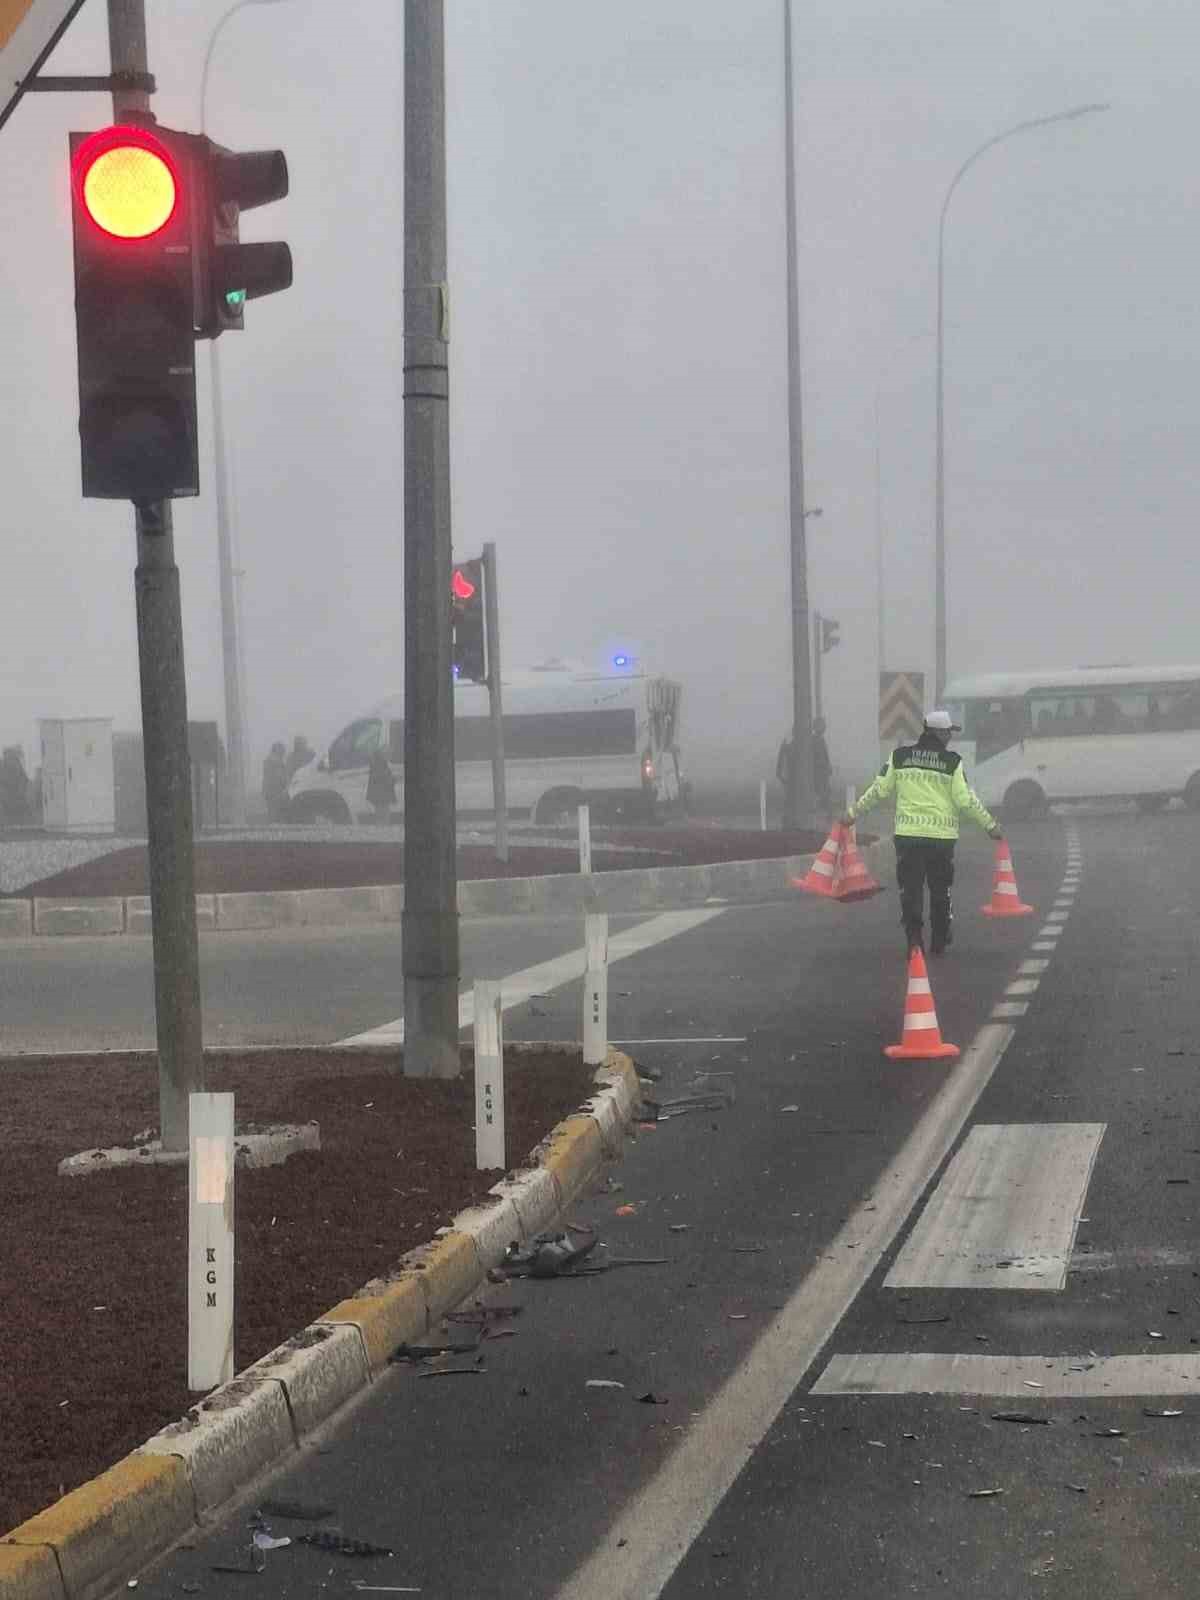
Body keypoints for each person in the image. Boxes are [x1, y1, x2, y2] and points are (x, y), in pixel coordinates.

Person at [841, 709, 1002, 957]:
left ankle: (914, 940)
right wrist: (990, 826)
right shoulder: (952, 762)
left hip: (908, 838)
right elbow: (966, 801)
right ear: (937, 732)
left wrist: (853, 813)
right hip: (941, 840)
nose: (950, 736)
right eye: (948, 732)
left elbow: (878, 791)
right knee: (941, 888)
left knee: (911, 889)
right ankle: (940, 936)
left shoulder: (899, 757)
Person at [366, 748, 396, 821]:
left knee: (380, 811)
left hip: (378, 794)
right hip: (383, 793)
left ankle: (381, 825)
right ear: (381, 754)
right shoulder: (380, 764)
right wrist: (392, 779)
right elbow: (383, 778)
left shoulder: (375, 763)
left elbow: (376, 778)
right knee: (383, 811)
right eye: (387, 752)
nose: (390, 753)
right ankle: (383, 825)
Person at [262, 741, 289, 821]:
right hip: (275, 791)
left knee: (273, 811)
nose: (283, 754)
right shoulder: (275, 762)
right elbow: (279, 777)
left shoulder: (270, 761)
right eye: (282, 751)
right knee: (275, 812)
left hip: (273, 791)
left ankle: (273, 825)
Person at [811, 717, 832, 816]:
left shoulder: (820, 740)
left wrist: (828, 766)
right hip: (819, 773)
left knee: (824, 793)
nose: (824, 728)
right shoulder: (815, 740)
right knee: (821, 793)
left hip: (822, 772)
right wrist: (825, 766)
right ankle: (823, 812)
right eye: (822, 726)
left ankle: (827, 813)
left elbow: (825, 756)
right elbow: (819, 758)